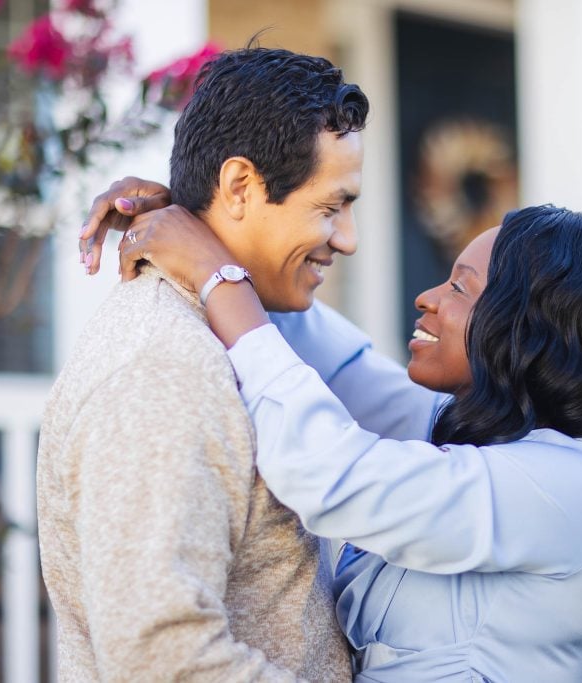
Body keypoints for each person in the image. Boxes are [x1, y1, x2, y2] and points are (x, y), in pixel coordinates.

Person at [83, 191, 582, 679]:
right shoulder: (472, 445)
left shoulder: (576, 486)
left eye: (460, 286)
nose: (427, 296)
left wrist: (214, 274)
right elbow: (336, 363)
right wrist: (205, 219)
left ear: (530, 331)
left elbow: (330, 471)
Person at [37, 46, 370, 681]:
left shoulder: (215, 330)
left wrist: (201, 235)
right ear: (241, 186)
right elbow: (161, 657)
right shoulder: (165, 371)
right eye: (331, 208)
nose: (348, 238)